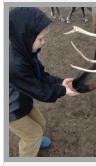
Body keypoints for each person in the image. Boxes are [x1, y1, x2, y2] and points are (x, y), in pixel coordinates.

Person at [9, 7, 79, 157]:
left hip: (21, 99)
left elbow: (40, 75)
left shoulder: (26, 52)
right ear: (25, 38)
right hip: (9, 110)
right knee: (32, 134)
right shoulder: (15, 65)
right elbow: (40, 91)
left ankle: (36, 141)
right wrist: (62, 91)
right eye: (40, 39)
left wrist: (60, 82)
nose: (44, 42)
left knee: (41, 124)